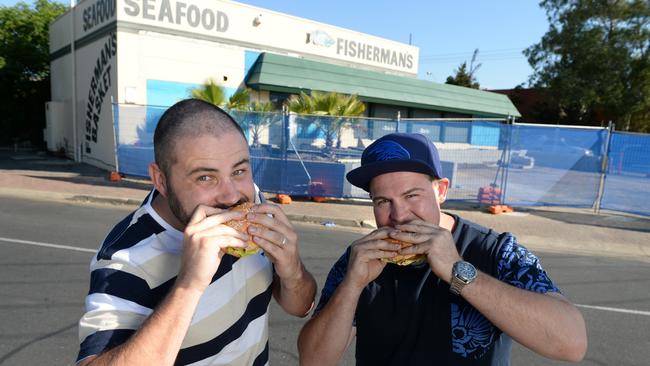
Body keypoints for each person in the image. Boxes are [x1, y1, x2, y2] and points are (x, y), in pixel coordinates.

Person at [298, 133, 587, 365]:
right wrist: (352, 286)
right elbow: (313, 359)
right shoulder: (361, 257)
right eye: (382, 201)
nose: (399, 215)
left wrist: (458, 271)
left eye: (412, 195)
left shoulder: (496, 251)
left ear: (441, 191)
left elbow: (571, 343)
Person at [76, 99, 317, 365]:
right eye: (205, 177)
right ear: (161, 180)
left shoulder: (253, 201)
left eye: (239, 170)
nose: (231, 195)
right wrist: (189, 285)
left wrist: (292, 269)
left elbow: (300, 307)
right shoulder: (125, 260)